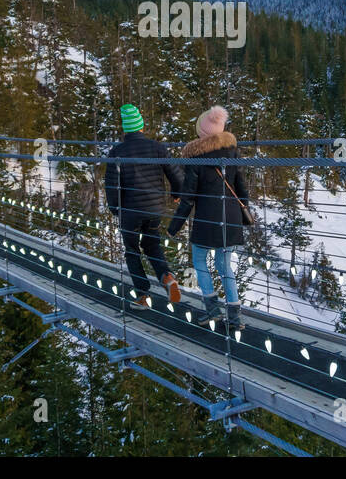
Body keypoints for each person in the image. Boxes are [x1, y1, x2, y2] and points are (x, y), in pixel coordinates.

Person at [167, 106, 248, 330]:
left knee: (200, 261)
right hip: (230, 219)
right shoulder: (232, 153)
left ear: (202, 133)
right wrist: (242, 214)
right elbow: (242, 188)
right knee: (225, 266)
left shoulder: (196, 158)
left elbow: (188, 198)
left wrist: (173, 227)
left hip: (207, 220)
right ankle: (235, 317)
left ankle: (212, 311)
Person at [104, 103, 183, 308]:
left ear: (125, 129)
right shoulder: (157, 147)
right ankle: (167, 278)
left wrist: (115, 208)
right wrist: (177, 192)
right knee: (152, 245)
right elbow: (175, 173)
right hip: (155, 209)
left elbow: (111, 184)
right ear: (141, 126)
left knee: (132, 250)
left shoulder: (117, 152)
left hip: (129, 211)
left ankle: (143, 296)